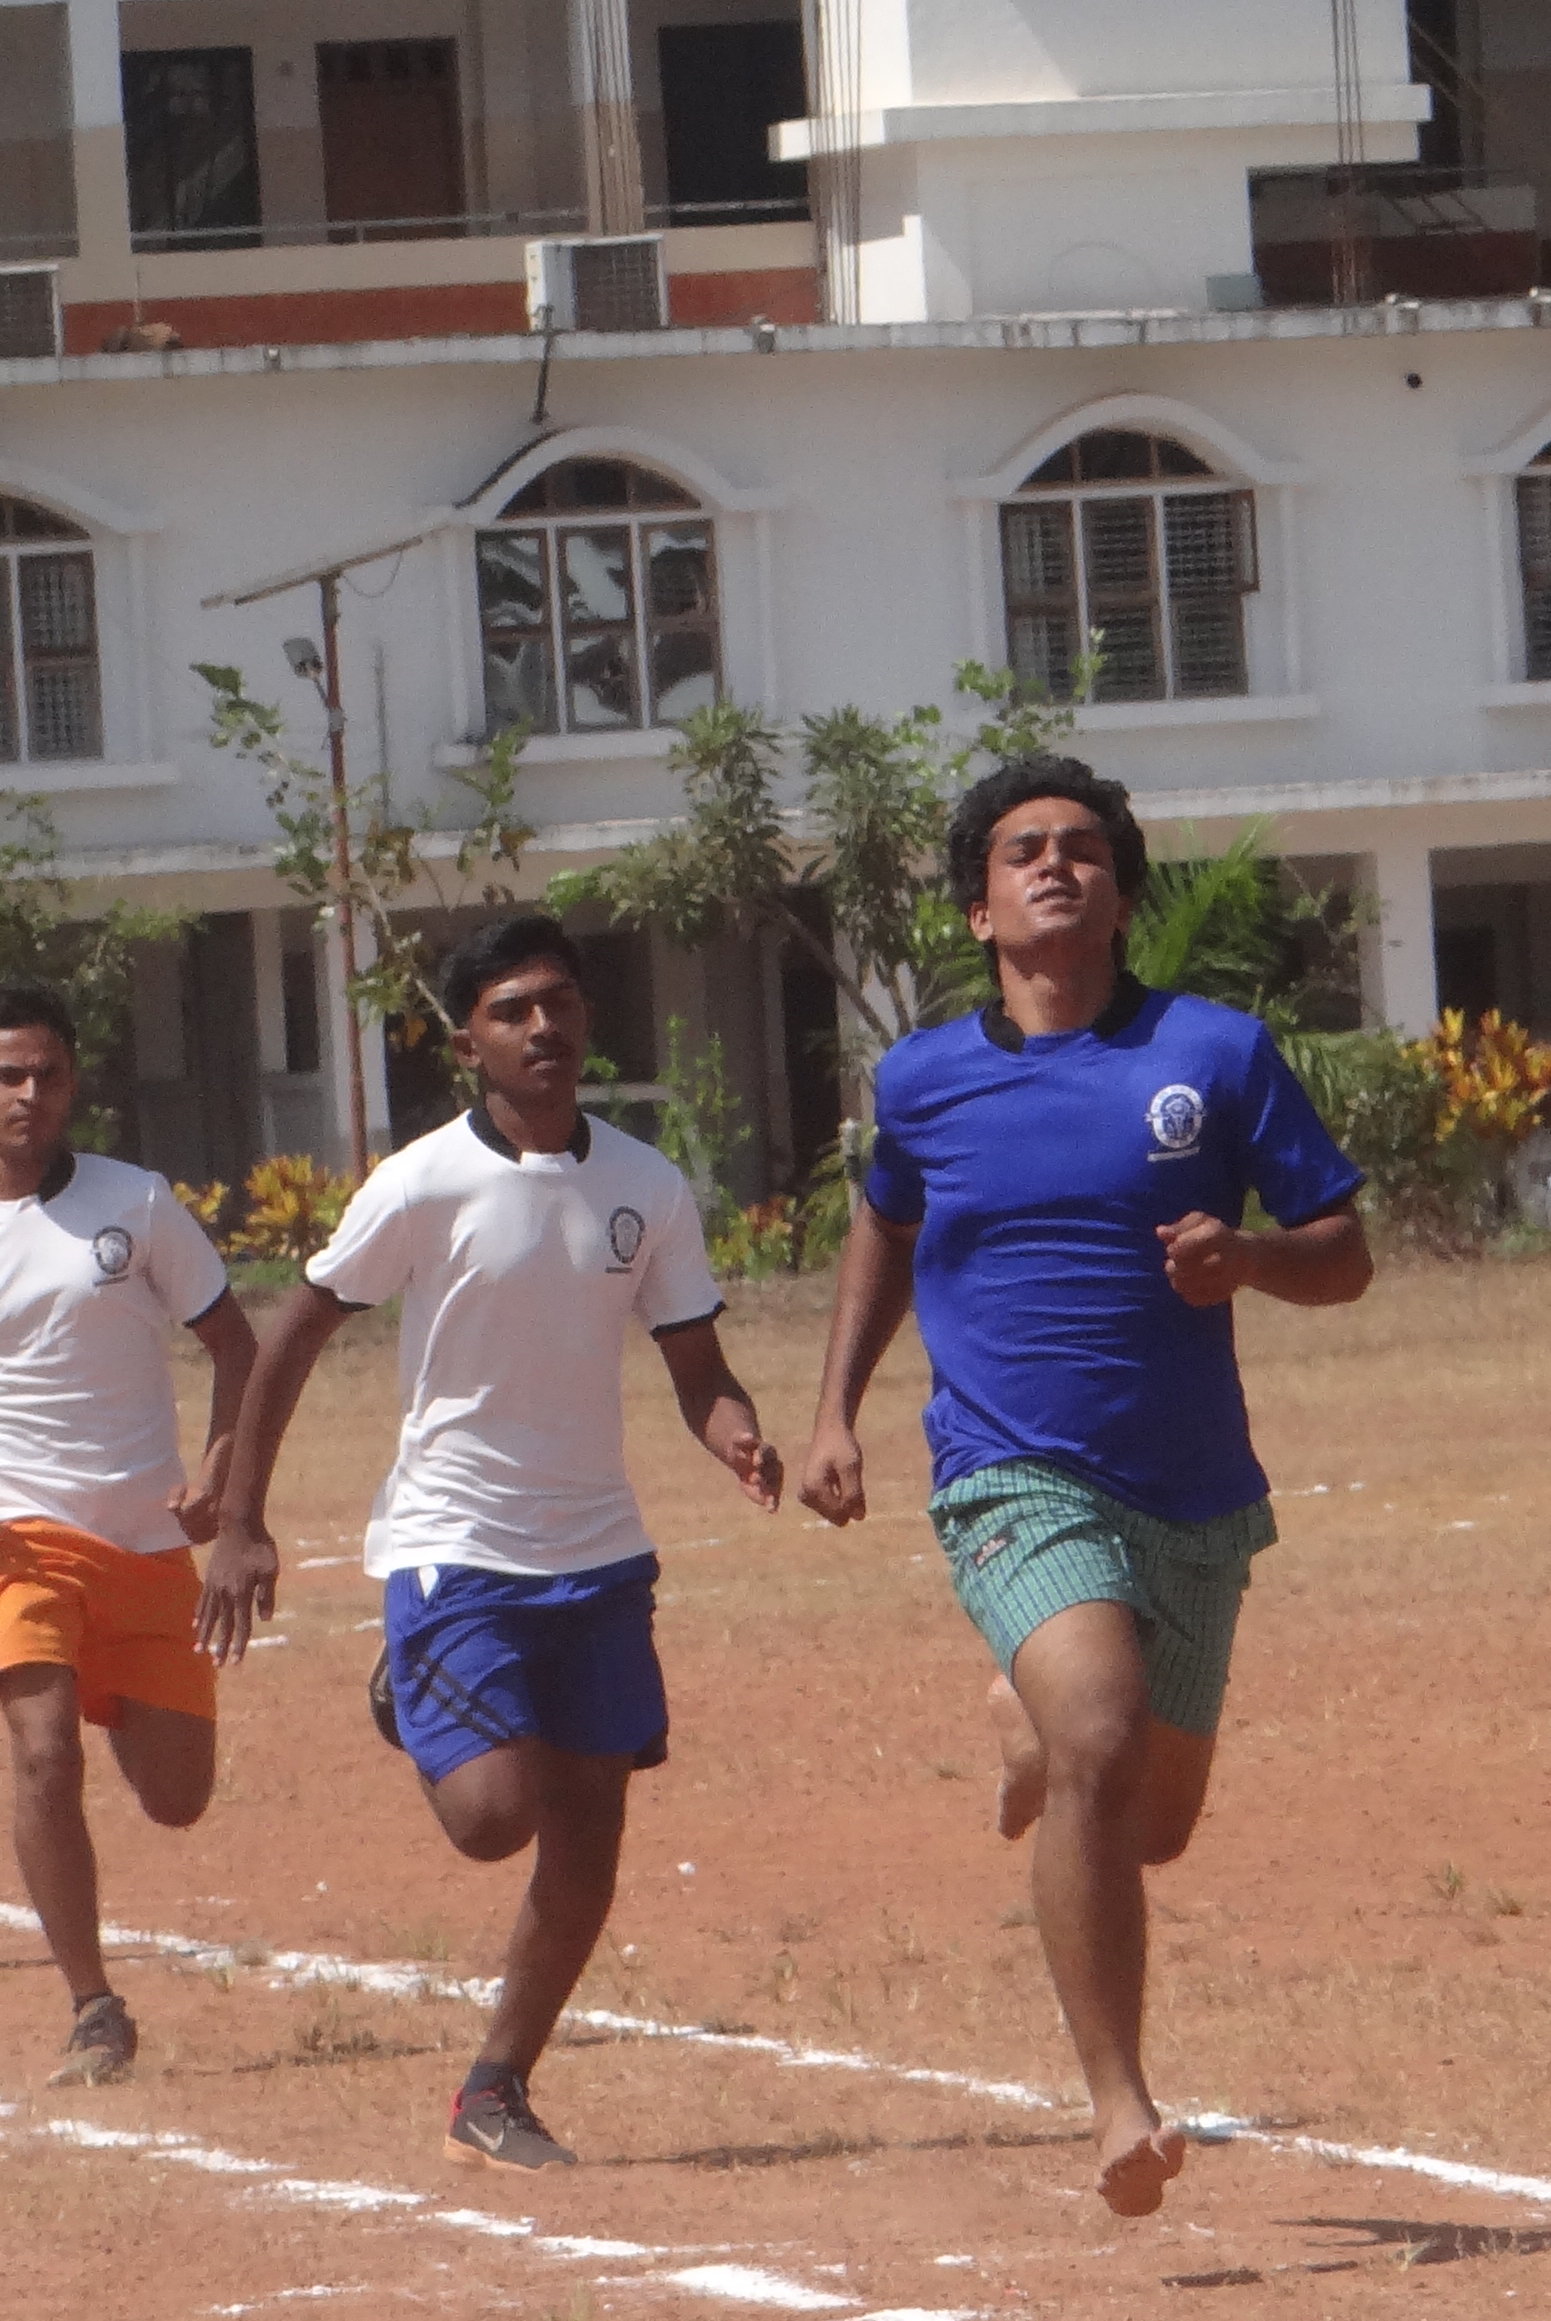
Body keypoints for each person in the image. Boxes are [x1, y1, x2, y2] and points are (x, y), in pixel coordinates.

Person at [798, 756, 1370, 2218]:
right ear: (979, 910)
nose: (1054, 864)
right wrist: (835, 1413)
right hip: (1008, 1473)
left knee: (1147, 1819)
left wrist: (1249, 1259)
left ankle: (1032, 1725)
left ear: (1121, 894)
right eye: (1022, 851)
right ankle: (1119, 2102)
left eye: (1082, 849)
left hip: (1191, 1488)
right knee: (1104, 1736)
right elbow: (884, 1227)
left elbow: (1345, 1252)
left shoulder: (1217, 1055)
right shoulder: (923, 1079)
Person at [204, 911, 781, 2172]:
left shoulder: (646, 1186)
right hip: (455, 1541)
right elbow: (294, 1334)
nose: (541, 1025)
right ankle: (411, 1687)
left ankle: (494, 2090)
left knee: (589, 1845)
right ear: (468, 1043)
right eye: (512, 1009)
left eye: (558, 1002)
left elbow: (699, 1369)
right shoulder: (421, 1183)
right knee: (489, 1816)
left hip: (600, 1554)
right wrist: (242, 1518)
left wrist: (739, 1437)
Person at [0, 980, 257, 2086]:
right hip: (13, 1533)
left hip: (145, 1537)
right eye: (6, 1075)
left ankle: (114, 1687)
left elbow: (237, 1346)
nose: (28, 1093)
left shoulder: (139, 1204)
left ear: (72, 1085)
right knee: (43, 1751)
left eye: (47, 1074)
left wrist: (219, 1474)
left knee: (177, 1798)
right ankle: (94, 2007)